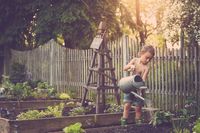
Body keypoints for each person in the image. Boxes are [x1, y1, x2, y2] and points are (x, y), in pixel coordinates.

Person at [121, 45, 155, 125]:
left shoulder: (146, 68)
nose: (147, 60)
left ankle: (138, 123)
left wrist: (141, 86)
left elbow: (143, 80)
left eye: (149, 59)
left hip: (138, 89)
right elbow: (124, 68)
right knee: (127, 105)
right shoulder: (135, 60)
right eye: (146, 57)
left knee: (138, 107)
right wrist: (130, 66)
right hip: (129, 87)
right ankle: (124, 122)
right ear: (141, 54)